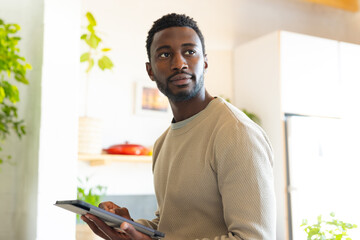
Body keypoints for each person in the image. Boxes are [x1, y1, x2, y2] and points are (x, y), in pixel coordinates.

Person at [81, 13, 276, 240]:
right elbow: (171, 225)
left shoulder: (236, 132)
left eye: (189, 52)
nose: (179, 63)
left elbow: (252, 238)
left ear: (204, 61)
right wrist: (131, 227)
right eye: (165, 54)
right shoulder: (163, 144)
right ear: (150, 70)